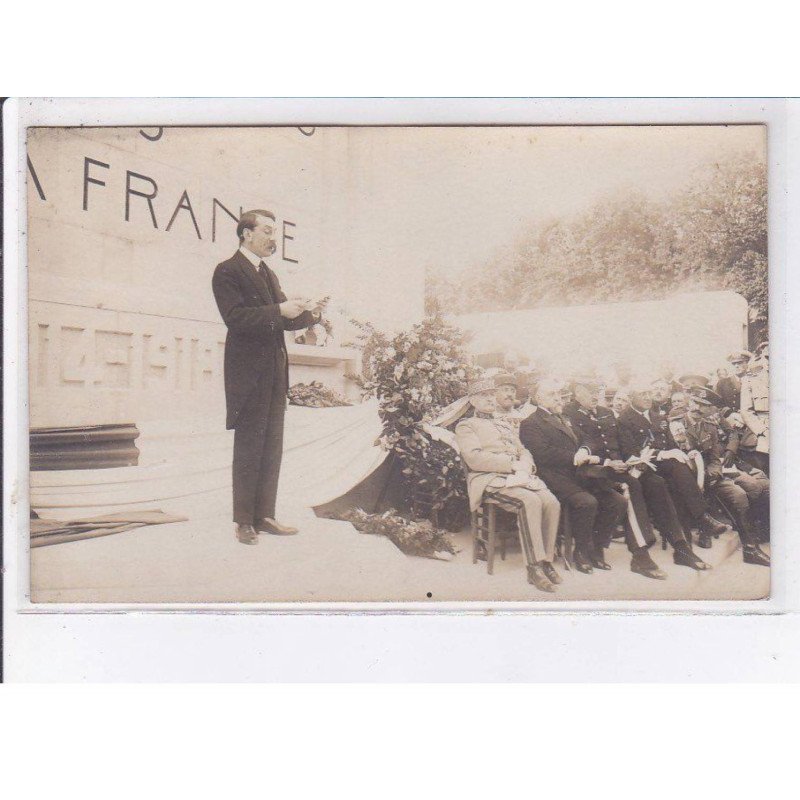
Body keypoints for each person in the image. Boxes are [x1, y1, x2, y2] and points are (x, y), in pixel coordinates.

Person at [212, 209, 320, 545]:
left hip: (274, 373)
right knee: (249, 446)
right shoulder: (227, 271)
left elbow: (286, 321)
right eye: (267, 231)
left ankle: (265, 516)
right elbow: (235, 318)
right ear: (246, 233)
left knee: (271, 445)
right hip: (248, 374)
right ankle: (244, 521)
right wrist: (279, 310)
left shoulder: (268, 274)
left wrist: (309, 312)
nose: (273, 239)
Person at [564, 377, 708, 576]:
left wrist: (630, 460)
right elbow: (582, 445)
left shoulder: (605, 413)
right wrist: (608, 463)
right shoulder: (568, 414)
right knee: (630, 486)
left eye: (598, 391)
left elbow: (618, 441)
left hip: (619, 466)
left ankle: (681, 547)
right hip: (592, 471)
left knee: (656, 483)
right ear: (578, 392)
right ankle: (639, 555)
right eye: (591, 391)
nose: (597, 396)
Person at [456, 378, 561, 593]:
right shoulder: (466, 426)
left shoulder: (504, 422)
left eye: (490, 395)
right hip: (489, 480)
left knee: (552, 502)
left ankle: (546, 561)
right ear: (472, 401)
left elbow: (523, 449)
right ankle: (533, 567)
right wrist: (511, 465)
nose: (489, 399)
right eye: (483, 396)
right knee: (529, 501)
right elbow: (474, 459)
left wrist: (526, 464)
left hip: (517, 475)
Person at [520, 379, 626, 574]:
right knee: (587, 502)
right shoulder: (530, 423)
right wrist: (575, 457)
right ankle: (581, 552)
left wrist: (584, 449)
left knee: (617, 501)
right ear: (539, 398)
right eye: (552, 395)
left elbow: (588, 438)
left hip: (580, 475)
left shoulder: (564, 418)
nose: (558, 398)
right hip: (553, 477)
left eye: (559, 394)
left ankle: (597, 549)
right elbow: (542, 453)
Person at [617, 382, 729, 548]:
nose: (648, 397)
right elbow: (630, 452)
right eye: (643, 394)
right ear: (632, 397)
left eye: (649, 393)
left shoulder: (657, 415)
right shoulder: (624, 420)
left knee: (681, 467)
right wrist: (663, 454)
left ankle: (692, 531)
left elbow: (670, 443)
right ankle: (702, 518)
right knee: (677, 469)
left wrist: (679, 452)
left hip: (665, 465)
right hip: (643, 468)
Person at [667, 394, 770, 566]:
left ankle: (750, 549)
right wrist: (703, 476)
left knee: (740, 495)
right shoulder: (676, 425)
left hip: (711, 476)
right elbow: (677, 459)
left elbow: (715, 457)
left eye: (703, 405)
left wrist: (714, 473)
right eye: (695, 403)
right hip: (688, 480)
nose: (698, 408)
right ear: (687, 403)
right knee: (739, 492)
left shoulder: (710, 426)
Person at [740, 343, 769, 475]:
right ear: (762, 357)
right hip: (762, 430)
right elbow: (746, 410)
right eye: (767, 357)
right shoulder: (751, 379)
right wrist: (762, 431)